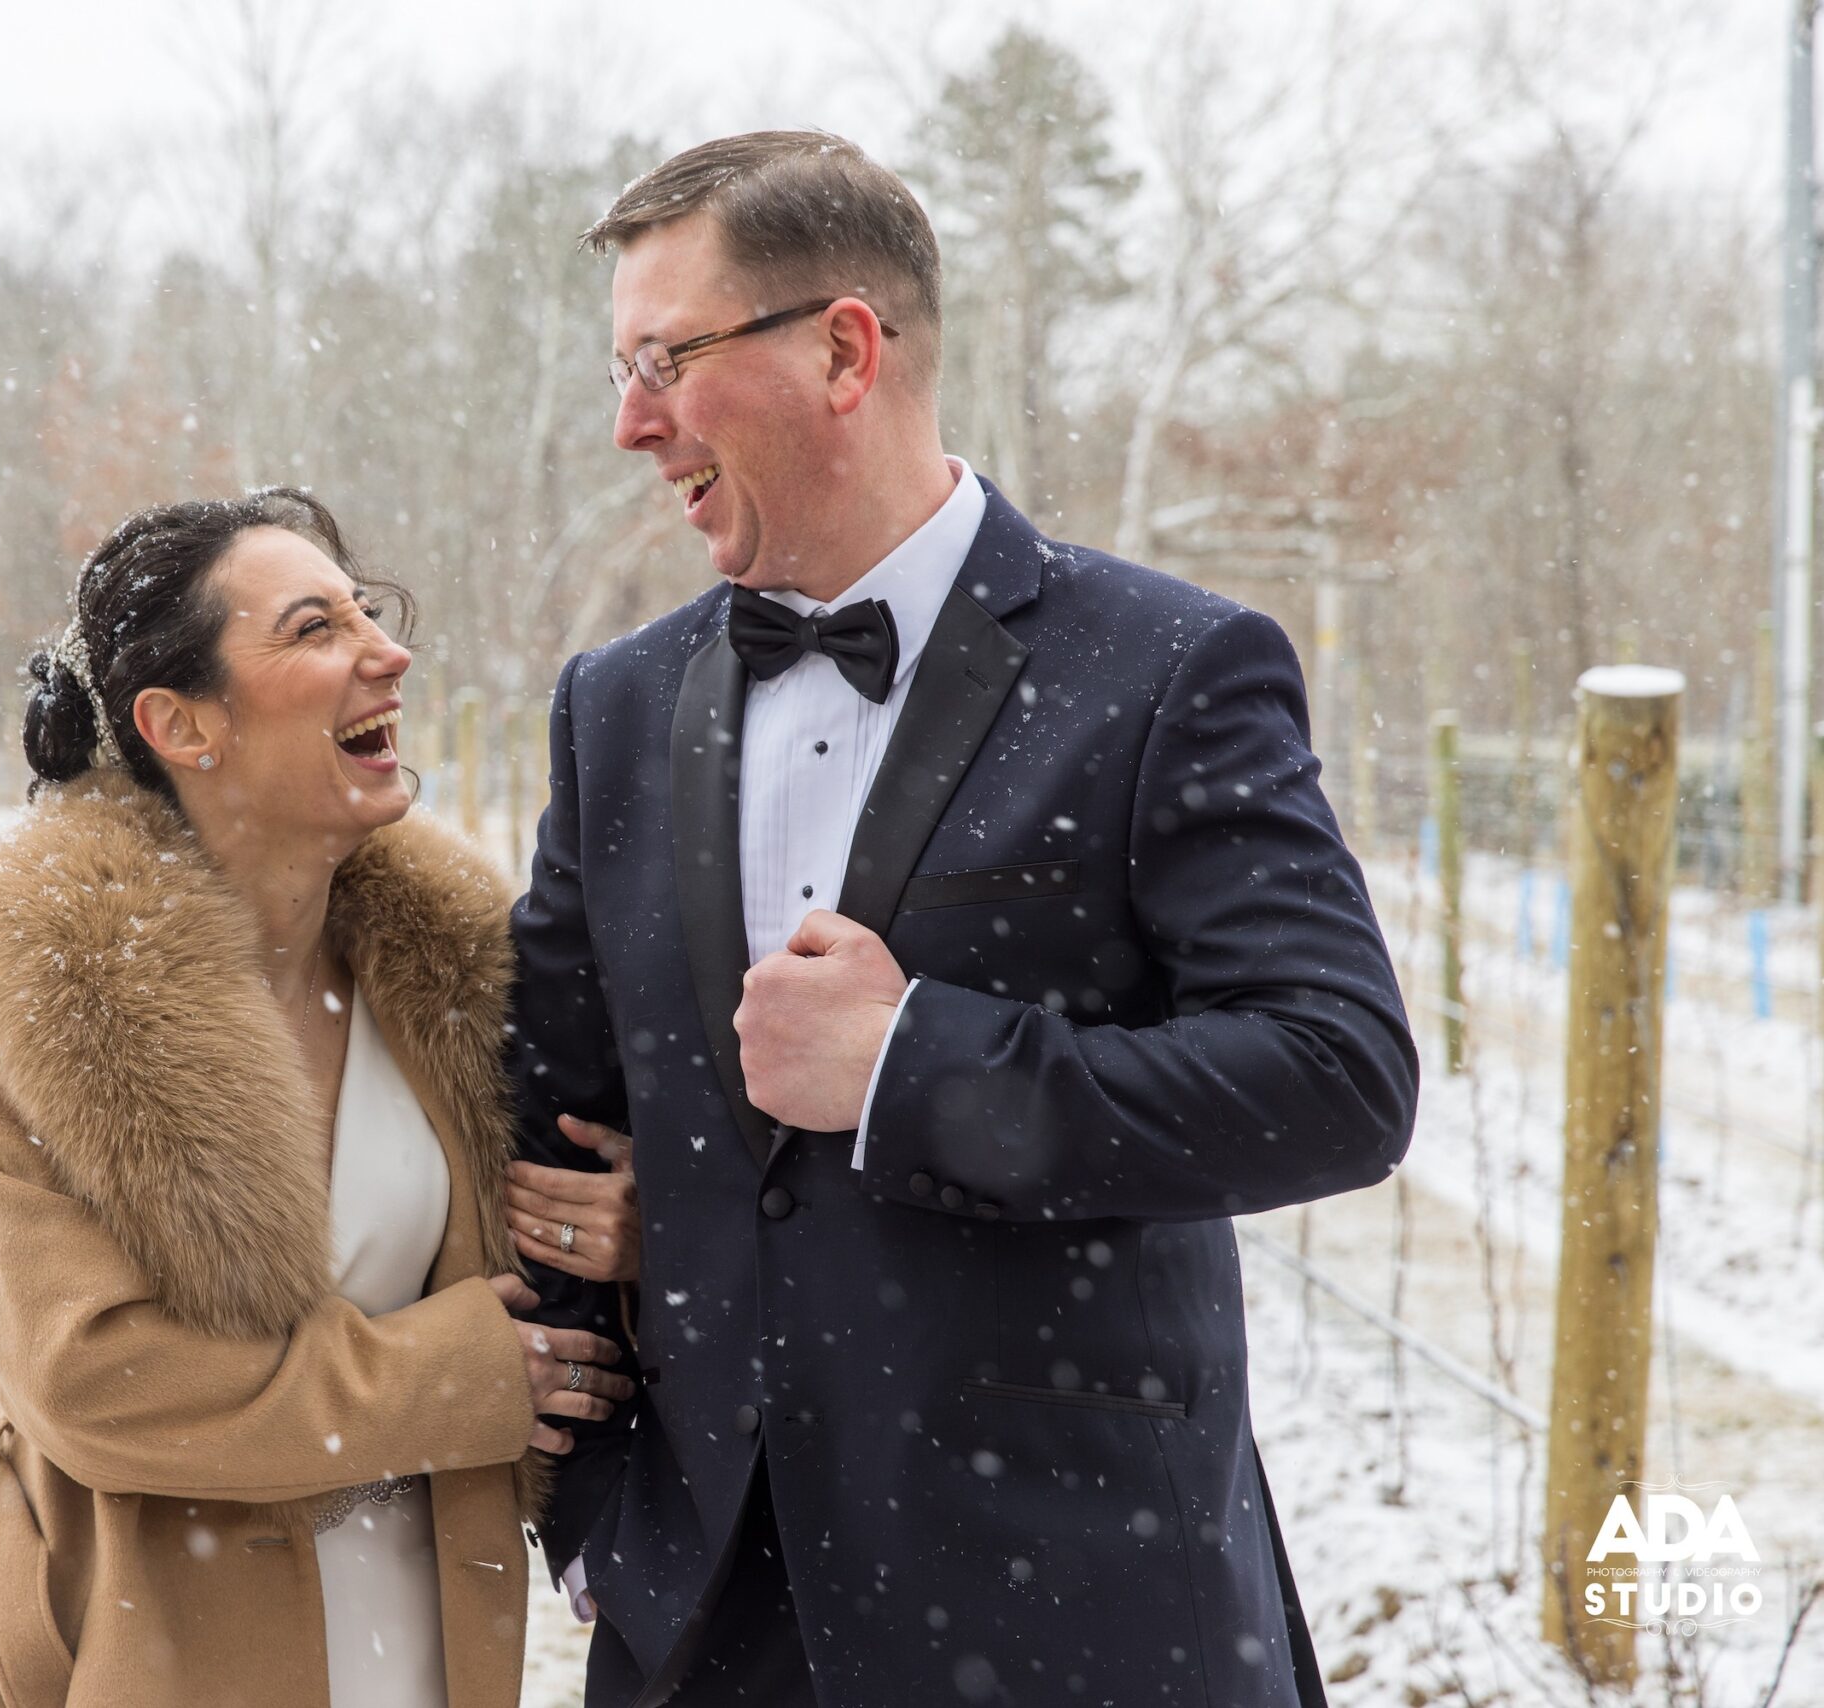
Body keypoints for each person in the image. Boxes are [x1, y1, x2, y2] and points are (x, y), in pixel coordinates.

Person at [510, 131, 1419, 1708]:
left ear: (844, 351)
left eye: (665, 361)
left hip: (1076, 1611)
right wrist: (597, 1518)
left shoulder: (1165, 670)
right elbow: (551, 1114)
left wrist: (909, 1067)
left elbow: (1338, 1075)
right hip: (705, 1630)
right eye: (619, 370)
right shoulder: (618, 705)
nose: (629, 423)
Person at [0, 487, 638, 1708]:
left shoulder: (457, 983)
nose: (386, 652)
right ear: (181, 723)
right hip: (153, 1659)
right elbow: (98, 1384)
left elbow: (563, 1273)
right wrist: (457, 1380)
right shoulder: (26, 1016)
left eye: (370, 613)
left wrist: (627, 1238)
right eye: (315, 628)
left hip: (426, 1644)